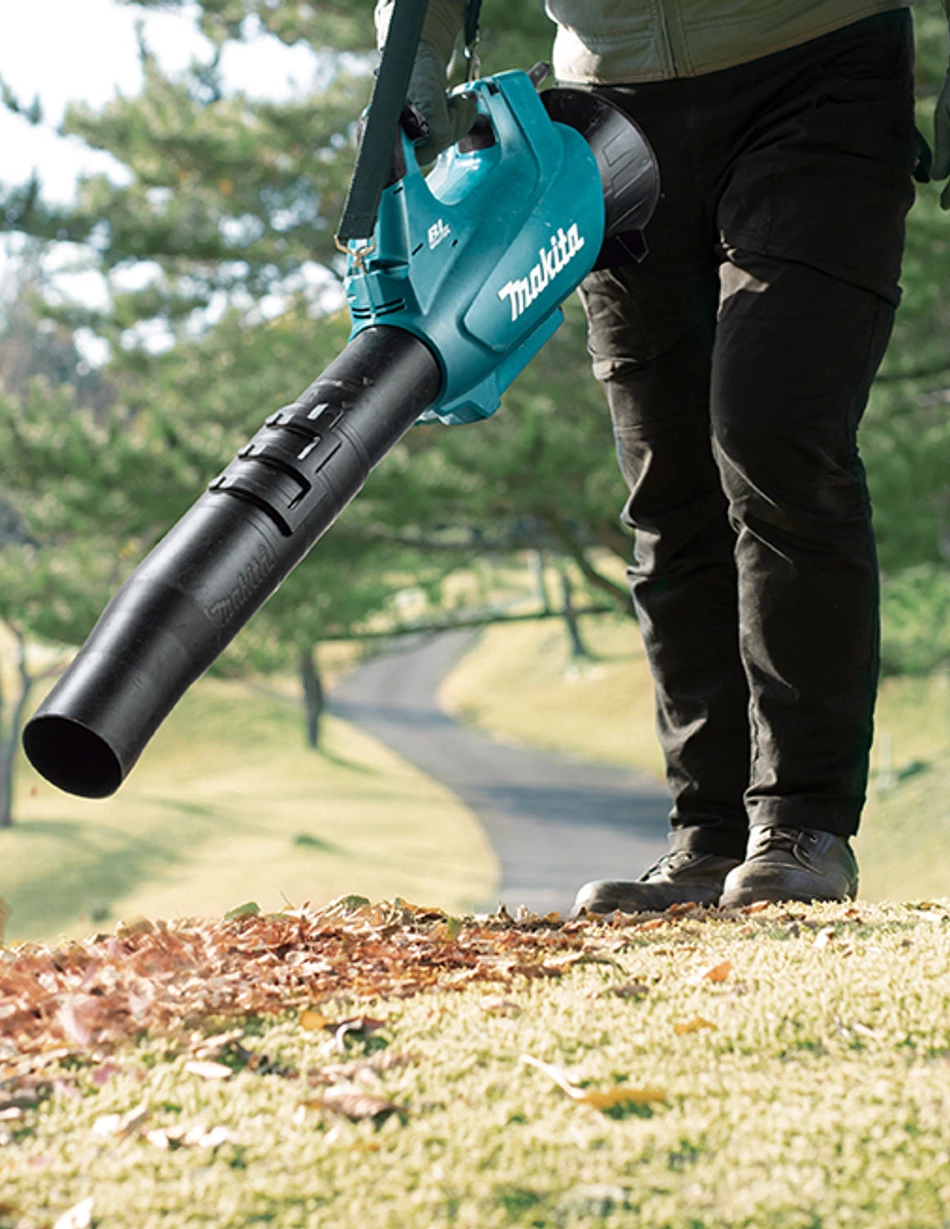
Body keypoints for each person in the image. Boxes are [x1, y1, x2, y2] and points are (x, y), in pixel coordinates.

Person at [377, 0, 950, 912]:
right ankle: (707, 837)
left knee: (772, 427)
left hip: (816, 64)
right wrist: (408, 70)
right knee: (667, 480)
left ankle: (802, 823)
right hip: (608, 110)